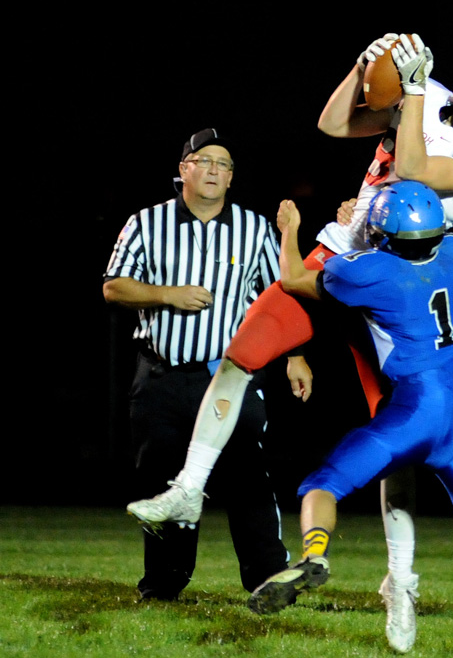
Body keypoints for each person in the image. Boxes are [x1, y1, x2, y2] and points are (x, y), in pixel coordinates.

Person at [124, 34, 453, 651]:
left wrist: (416, 91)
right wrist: (362, 67)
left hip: (394, 282)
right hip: (345, 250)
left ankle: (401, 581)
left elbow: (419, 169)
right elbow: (332, 122)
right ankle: (189, 486)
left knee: (393, 436)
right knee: (242, 353)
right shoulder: (436, 94)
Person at [247, 182, 453, 658]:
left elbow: (293, 279)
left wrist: (290, 230)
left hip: (415, 408)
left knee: (324, 483)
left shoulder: (370, 271)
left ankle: (313, 556)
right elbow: (437, 234)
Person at [104, 128, 290, 600]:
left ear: (231, 178)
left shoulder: (253, 228)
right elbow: (114, 286)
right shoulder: (147, 223)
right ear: (183, 169)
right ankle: (164, 585)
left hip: (229, 376)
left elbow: (277, 300)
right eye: (204, 161)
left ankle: (268, 581)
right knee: (163, 484)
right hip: (162, 376)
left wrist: (297, 357)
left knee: (248, 474)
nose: (214, 170)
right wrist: (166, 295)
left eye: (223, 165)